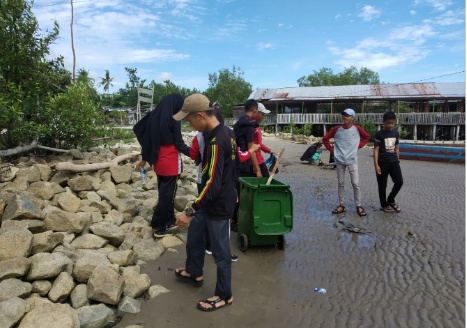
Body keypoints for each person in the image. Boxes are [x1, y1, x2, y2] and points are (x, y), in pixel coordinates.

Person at [173, 93, 237, 312]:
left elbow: (212, 182)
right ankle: (194, 270)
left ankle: (224, 295)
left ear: (200, 115)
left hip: (217, 204)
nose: (190, 125)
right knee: (195, 236)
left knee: (220, 253)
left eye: (190, 120)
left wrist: (190, 210)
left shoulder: (217, 140)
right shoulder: (224, 133)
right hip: (210, 201)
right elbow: (231, 170)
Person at [133, 93, 190, 238]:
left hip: (158, 161)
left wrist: (145, 158)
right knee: (168, 195)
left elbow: (146, 138)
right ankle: (158, 226)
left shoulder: (154, 117)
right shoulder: (174, 118)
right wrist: (195, 154)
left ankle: (169, 221)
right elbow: (179, 143)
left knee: (165, 193)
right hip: (171, 162)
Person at [322, 108, 370, 217]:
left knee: (355, 183)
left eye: (347, 115)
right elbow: (325, 139)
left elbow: (367, 137)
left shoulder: (357, 129)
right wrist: (332, 151)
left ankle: (358, 205)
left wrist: (359, 146)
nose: (345, 117)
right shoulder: (337, 129)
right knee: (341, 183)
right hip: (339, 160)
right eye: (343, 115)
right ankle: (341, 205)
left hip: (352, 160)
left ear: (352, 117)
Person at [374, 111, 404, 213]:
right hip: (382, 162)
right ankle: (384, 204)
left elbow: (396, 147)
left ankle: (391, 199)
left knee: (399, 182)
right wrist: (376, 165)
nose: (390, 125)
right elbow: (376, 150)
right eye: (388, 123)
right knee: (382, 185)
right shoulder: (379, 134)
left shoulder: (396, 133)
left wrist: (397, 159)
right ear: (383, 122)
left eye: (392, 123)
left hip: (394, 162)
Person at [251, 102, 276, 177]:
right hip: (255, 160)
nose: (263, 117)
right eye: (262, 114)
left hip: (258, 159)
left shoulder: (256, 126)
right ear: (256, 112)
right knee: (265, 181)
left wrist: (269, 150)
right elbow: (251, 146)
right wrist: (257, 168)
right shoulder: (251, 127)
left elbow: (259, 144)